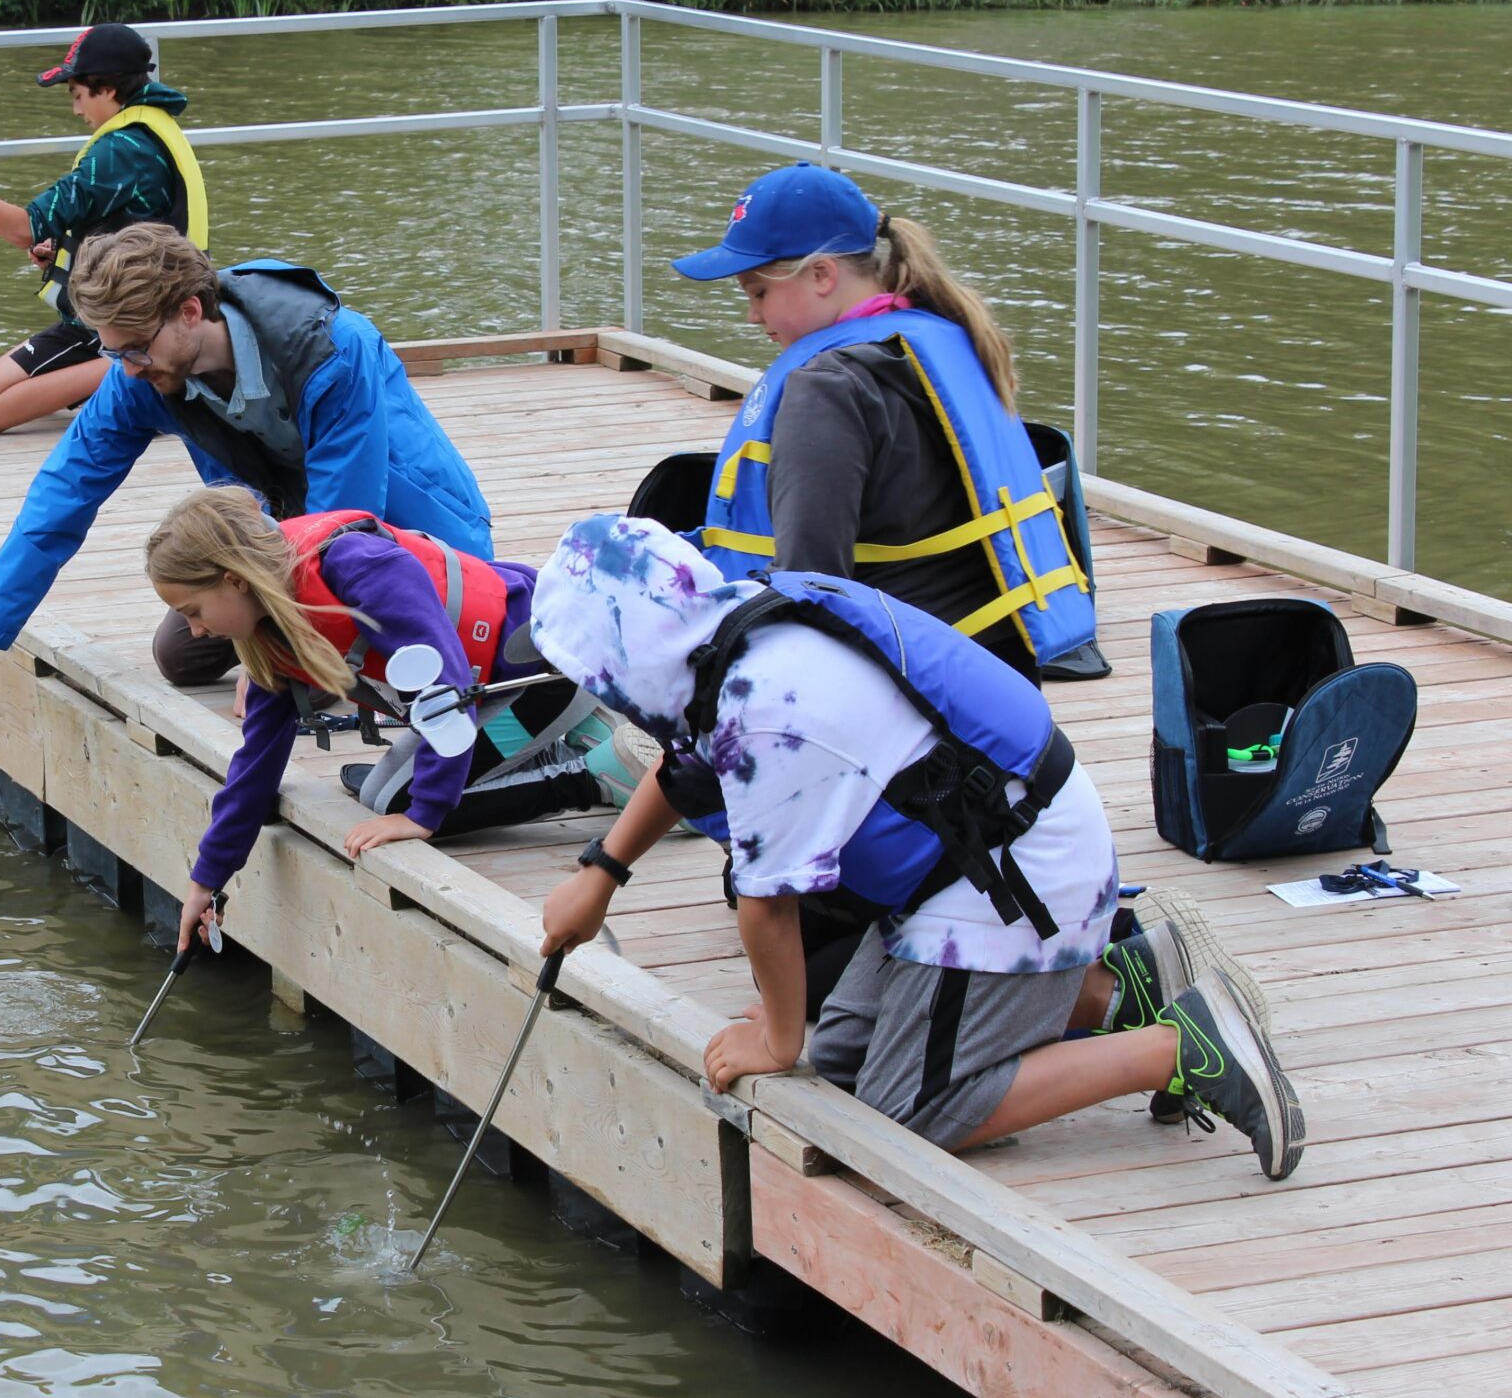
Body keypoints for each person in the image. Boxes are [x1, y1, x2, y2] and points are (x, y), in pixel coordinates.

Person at [525, 514, 1302, 1180]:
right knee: (842, 1064)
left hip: (1014, 880)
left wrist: (774, 1038)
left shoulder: (763, 712)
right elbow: (686, 766)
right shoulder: (738, 635)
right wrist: (602, 873)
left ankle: (1181, 1048)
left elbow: (768, 906)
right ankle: (1123, 987)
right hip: (975, 866)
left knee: (906, 1108)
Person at [0, 223, 494, 723]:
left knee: (310, 667)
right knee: (182, 655)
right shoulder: (139, 377)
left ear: (190, 312)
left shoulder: (333, 350)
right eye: (113, 352)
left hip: (411, 532)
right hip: (292, 530)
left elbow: (347, 524)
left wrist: (278, 647)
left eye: (136, 350)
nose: (126, 368)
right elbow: (59, 500)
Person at [142, 487, 650, 953]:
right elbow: (257, 758)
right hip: (482, 690)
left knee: (403, 803)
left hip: (545, 674)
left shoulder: (359, 567)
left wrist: (425, 814)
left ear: (235, 580)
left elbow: (446, 690)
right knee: (379, 795)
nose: (195, 630)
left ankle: (592, 776)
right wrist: (206, 879)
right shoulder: (270, 624)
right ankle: (558, 742)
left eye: (194, 610)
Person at [670, 162, 1094, 685]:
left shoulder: (827, 387)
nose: (753, 316)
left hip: (902, 698)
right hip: (996, 679)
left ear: (823, 274)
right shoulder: (949, 339)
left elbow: (809, 583)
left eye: (758, 292)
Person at [0, 22, 209, 434]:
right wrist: (61, 250)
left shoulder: (120, 150)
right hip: (141, 310)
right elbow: (138, 225)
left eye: (78, 95)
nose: (77, 109)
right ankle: (147, 364)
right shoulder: (150, 129)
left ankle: (148, 363)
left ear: (108, 90)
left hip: (119, 324)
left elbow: (22, 228)